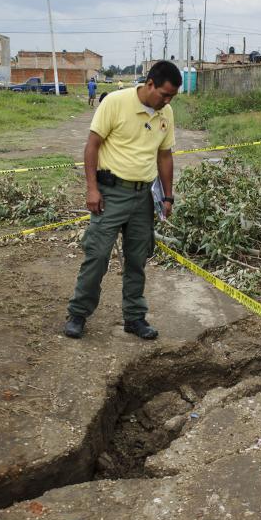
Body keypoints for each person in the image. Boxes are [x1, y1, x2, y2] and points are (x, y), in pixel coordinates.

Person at [64, 60, 182, 341]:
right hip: (111, 194)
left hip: (144, 197)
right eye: (164, 94)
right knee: (97, 255)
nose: (167, 101)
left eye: (172, 97)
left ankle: (135, 317)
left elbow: (164, 156)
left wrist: (167, 195)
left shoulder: (166, 113)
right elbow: (92, 145)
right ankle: (78, 313)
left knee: (137, 259)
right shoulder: (115, 102)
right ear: (150, 83)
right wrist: (92, 189)